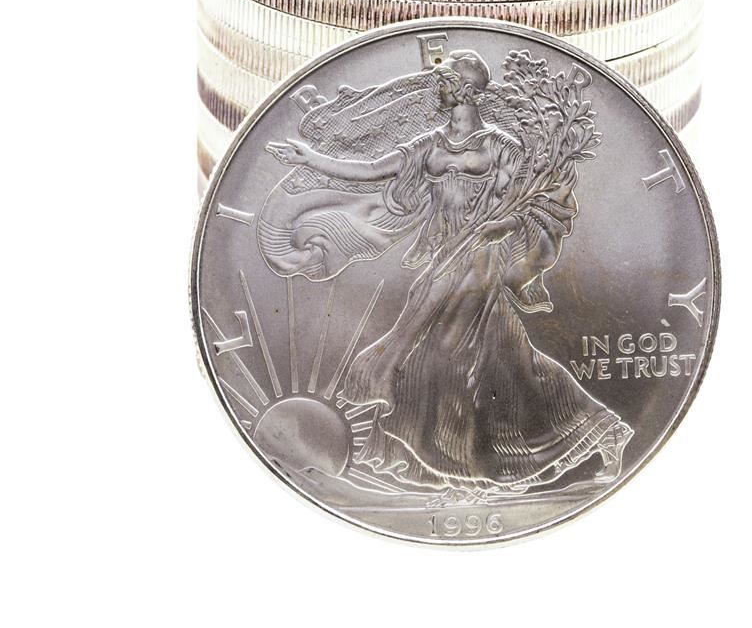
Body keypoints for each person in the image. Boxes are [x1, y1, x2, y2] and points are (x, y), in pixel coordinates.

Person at [266, 50, 631, 495]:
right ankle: (587, 435)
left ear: (465, 90)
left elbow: (535, 200)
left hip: (481, 260)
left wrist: (503, 225)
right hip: (444, 255)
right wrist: (311, 159)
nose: (437, 87)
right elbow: (372, 171)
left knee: (442, 354)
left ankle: (486, 459)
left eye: (444, 81)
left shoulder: (500, 146)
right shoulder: (431, 145)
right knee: (506, 362)